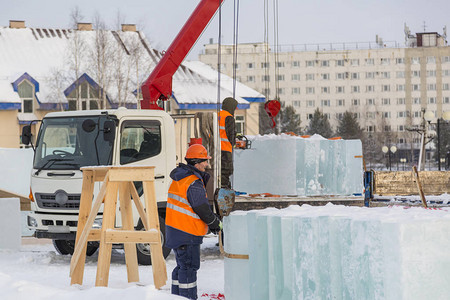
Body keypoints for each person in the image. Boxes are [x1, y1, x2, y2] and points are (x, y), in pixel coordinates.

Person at [165, 144, 222, 300]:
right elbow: (200, 207)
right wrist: (214, 222)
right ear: (197, 162)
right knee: (189, 268)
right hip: (187, 232)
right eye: (204, 161)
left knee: (181, 267)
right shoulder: (193, 181)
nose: (206, 164)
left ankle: (176, 297)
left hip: (176, 230)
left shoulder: (180, 178)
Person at [218, 97, 237, 189]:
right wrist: (233, 143)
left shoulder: (217, 115)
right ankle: (224, 191)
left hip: (215, 149)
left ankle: (219, 188)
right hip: (225, 150)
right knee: (226, 171)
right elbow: (231, 135)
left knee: (217, 171)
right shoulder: (229, 117)